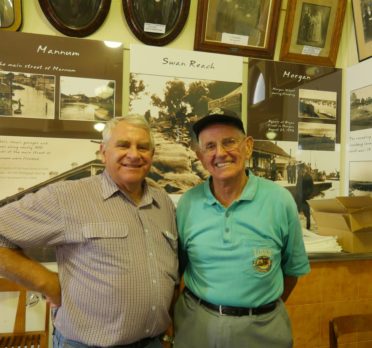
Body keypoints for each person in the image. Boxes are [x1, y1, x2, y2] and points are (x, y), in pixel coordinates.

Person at [0, 115, 178, 348]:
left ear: (152, 156)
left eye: (143, 147)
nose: (134, 154)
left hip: (152, 342)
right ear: (103, 152)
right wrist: (47, 283)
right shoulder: (67, 197)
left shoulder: (162, 202)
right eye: (123, 145)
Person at [174, 108, 310, 348]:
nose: (220, 153)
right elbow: (178, 270)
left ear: (248, 146)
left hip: (263, 331)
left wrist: (260, 310)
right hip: (196, 327)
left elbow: (292, 271)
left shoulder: (280, 200)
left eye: (229, 142)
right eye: (210, 146)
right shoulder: (187, 204)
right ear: (200, 156)